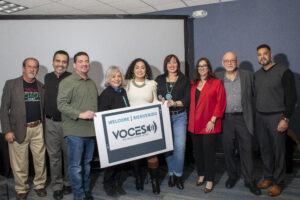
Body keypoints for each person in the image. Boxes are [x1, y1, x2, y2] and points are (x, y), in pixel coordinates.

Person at [0, 58, 47, 200]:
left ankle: (39, 185)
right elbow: (3, 109)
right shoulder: (11, 84)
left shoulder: (41, 86)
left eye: (35, 67)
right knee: (19, 162)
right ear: (23, 68)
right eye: (29, 67)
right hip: (18, 129)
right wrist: (7, 130)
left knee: (40, 160)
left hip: (37, 127)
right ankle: (21, 189)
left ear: (37, 69)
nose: (32, 69)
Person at [215, 52, 261, 195]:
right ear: (223, 63)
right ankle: (232, 176)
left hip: (243, 118)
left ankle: (250, 180)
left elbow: (257, 93)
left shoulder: (247, 75)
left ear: (237, 62)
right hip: (225, 119)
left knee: (246, 150)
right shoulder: (217, 77)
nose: (229, 63)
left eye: (232, 60)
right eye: (227, 61)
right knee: (228, 150)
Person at [255, 44, 297, 196]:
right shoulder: (257, 75)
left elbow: (292, 98)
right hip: (260, 116)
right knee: (265, 150)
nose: (262, 57)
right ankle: (268, 177)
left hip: (277, 117)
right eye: (259, 55)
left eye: (265, 54)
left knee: (279, 152)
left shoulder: (284, 72)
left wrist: (285, 118)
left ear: (270, 54)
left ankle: (278, 183)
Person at [57, 52, 98, 200]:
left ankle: (86, 190)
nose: (84, 64)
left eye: (86, 61)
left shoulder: (92, 82)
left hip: (90, 131)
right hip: (74, 132)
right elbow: (61, 104)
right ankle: (79, 196)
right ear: (74, 65)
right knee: (75, 166)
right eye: (80, 61)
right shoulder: (67, 82)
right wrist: (80, 114)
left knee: (87, 164)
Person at [188, 57, 226, 193]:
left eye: (204, 66)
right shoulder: (193, 83)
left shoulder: (216, 83)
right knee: (197, 153)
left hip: (209, 123)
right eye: (199, 66)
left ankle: (210, 179)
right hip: (194, 123)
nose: (202, 68)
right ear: (197, 69)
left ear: (208, 68)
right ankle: (201, 174)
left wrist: (213, 120)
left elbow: (220, 103)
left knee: (209, 153)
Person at [124, 58, 160, 194]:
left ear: (146, 70)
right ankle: (138, 178)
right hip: (132, 125)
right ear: (133, 70)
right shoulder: (126, 84)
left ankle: (155, 181)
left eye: (143, 67)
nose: (140, 70)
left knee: (152, 154)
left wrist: (162, 104)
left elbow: (155, 101)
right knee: (136, 155)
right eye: (137, 67)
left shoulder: (152, 84)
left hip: (148, 125)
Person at [155, 54, 189, 190]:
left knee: (180, 147)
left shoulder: (184, 79)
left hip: (179, 116)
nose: (172, 65)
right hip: (164, 116)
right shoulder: (159, 79)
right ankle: (171, 173)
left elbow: (187, 99)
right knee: (168, 147)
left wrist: (174, 103)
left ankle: (178, 175)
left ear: (177, 65)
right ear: (165, 65)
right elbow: (156, 95)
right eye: (169, 62)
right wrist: (160, 99)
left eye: (174, 62)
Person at [44, 50, 72, 200]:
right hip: (50, 123)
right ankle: (57, 186)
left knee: (68, 155)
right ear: (53, 62)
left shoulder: (72, 78)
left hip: (67, 123)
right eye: (58, 61)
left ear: (67, 64)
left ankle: (68, 183)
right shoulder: (47, 77)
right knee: (54, 156)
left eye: (64, 62)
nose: (60, 64)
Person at [98, 66, 130, 196]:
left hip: (123, 133)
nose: (116, 79)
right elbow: (102, 115)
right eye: (113, 76)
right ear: (108, 79)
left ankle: (117, 184)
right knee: (111, 164)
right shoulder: (106, 94)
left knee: (121, 163)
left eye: (118, 76)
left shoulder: (122, 91)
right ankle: (108, 185)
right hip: (111, 134)